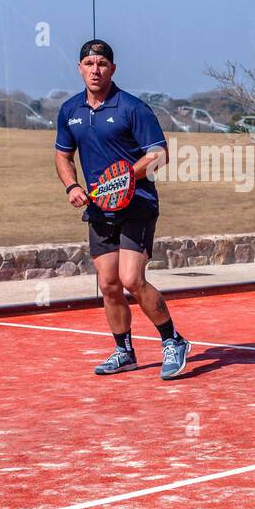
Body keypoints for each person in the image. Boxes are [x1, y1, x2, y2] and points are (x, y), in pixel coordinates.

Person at [54, 39, 191, 379]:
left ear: (113, 69)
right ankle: (123, 352)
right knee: (109, 284)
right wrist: (72, 186)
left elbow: (159, 155)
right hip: (100, 211)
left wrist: (124, 176)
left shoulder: (133, 108)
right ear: (80, 69)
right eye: (89, 64)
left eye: (102, 64)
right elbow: (62, 155)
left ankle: (173, 341)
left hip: (137, 204)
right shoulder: (70, 111)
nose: (95, 70)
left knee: (131, 279)